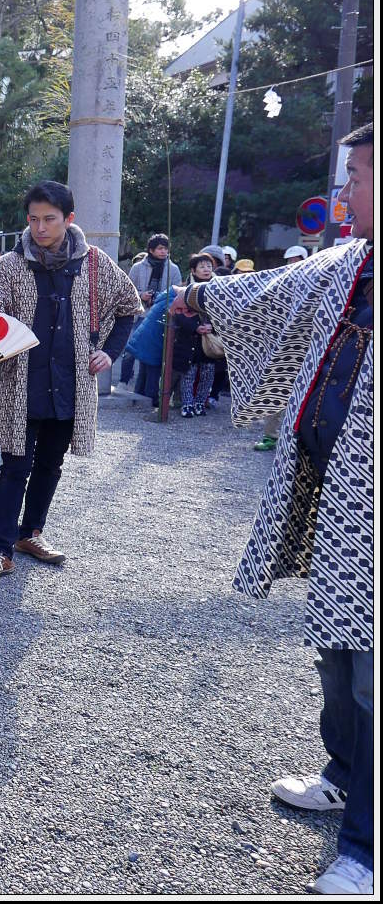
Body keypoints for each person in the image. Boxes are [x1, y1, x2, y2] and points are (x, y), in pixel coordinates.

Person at [167, 122, 374, 896]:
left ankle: (367, 847)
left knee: (371, 676)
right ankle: (345, 777)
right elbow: (265, 291)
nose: (345, 188)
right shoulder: (352, 260)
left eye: (357, 173)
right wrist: (189, 294)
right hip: (337, 493)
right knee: (336, 651)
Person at [0, 180, 141, 582]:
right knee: (14, 467)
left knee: (50, 464)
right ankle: (0, 549)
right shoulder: (10, 265)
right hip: (20, 383)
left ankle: (31, 534)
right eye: (33, 219)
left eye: (49, 219)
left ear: (69, 219)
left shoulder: (94, 264)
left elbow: (129, 307)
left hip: (71, 383)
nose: (40, 227)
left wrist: (109, 351)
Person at [122, 234, 182, 386]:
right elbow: (128, 289)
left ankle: (145, 388)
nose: (163, 252)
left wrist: (160, 298)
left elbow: (177, 292)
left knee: (152, 353)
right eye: (160, 248)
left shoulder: (173, 269)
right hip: (140, 313)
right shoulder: (138, 267)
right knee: (130, 348)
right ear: (151, 250)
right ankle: (124, 379)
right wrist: (142, 294)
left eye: (166, 248)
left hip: (160, 315)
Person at [168, 253, 218, 418]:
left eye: (209, 266)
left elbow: (224, 315)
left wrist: (213, 327)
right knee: (188, 375)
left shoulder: (219, 289)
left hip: (210, 340)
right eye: (202, 266)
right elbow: (178, 314)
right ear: (193, 270)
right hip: (189, 339)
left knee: (207, 374)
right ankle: (187, 404)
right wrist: (196, 327)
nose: (206, 269)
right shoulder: (185, 289)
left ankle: (199, 403)